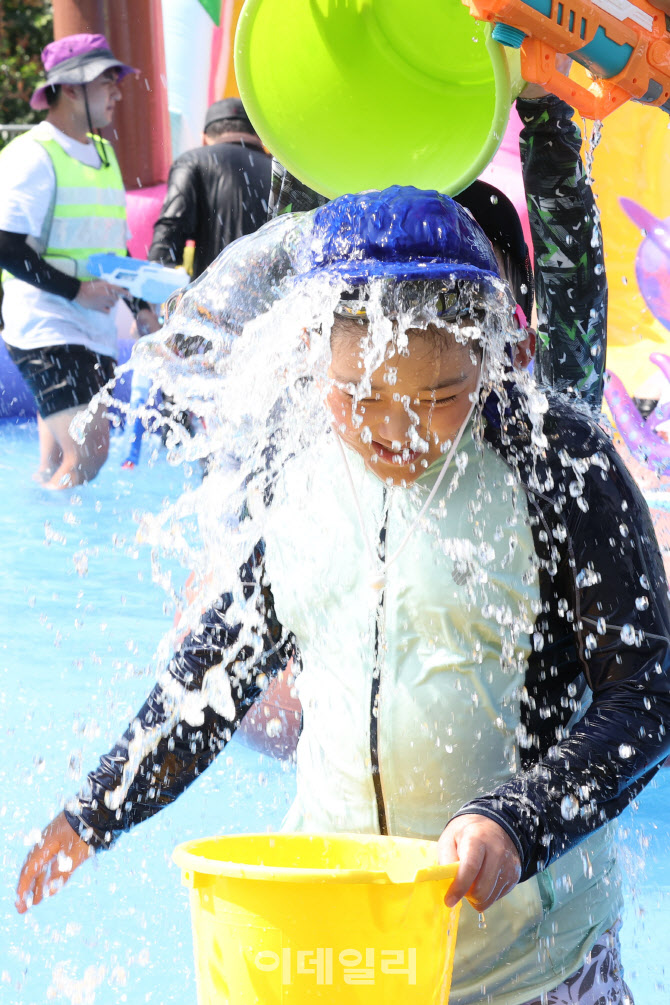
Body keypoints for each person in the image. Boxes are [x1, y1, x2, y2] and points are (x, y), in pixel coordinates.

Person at [16, 187, 670, 1004]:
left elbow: (646, 694)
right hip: (343, 947)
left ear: (486, 353)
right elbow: (214, 677)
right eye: (358, 396)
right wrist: (97, 809)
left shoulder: (557, 463)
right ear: (314, 349)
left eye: (436, 399)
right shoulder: (300, 466)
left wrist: (520, 818)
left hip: (533, 958)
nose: (392, 431)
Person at [0, 33, 136, 489]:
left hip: (91, 330)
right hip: (47, 327)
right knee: (90, 453)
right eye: (107, 80)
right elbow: (5, 245)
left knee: (57, 461)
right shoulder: (32, 155)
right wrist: (78, 291)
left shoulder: (103, 155)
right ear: (73, 88)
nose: (118, 90)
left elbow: (118, 246)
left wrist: (144, 306)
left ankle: (32, 540)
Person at [148, 97, 272, 281]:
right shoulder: (285, 171)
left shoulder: (192, 161)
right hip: (278, 299)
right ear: (260, 134)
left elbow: (171, 228)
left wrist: (154, 291)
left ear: (204, 138)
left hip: (213, 299)